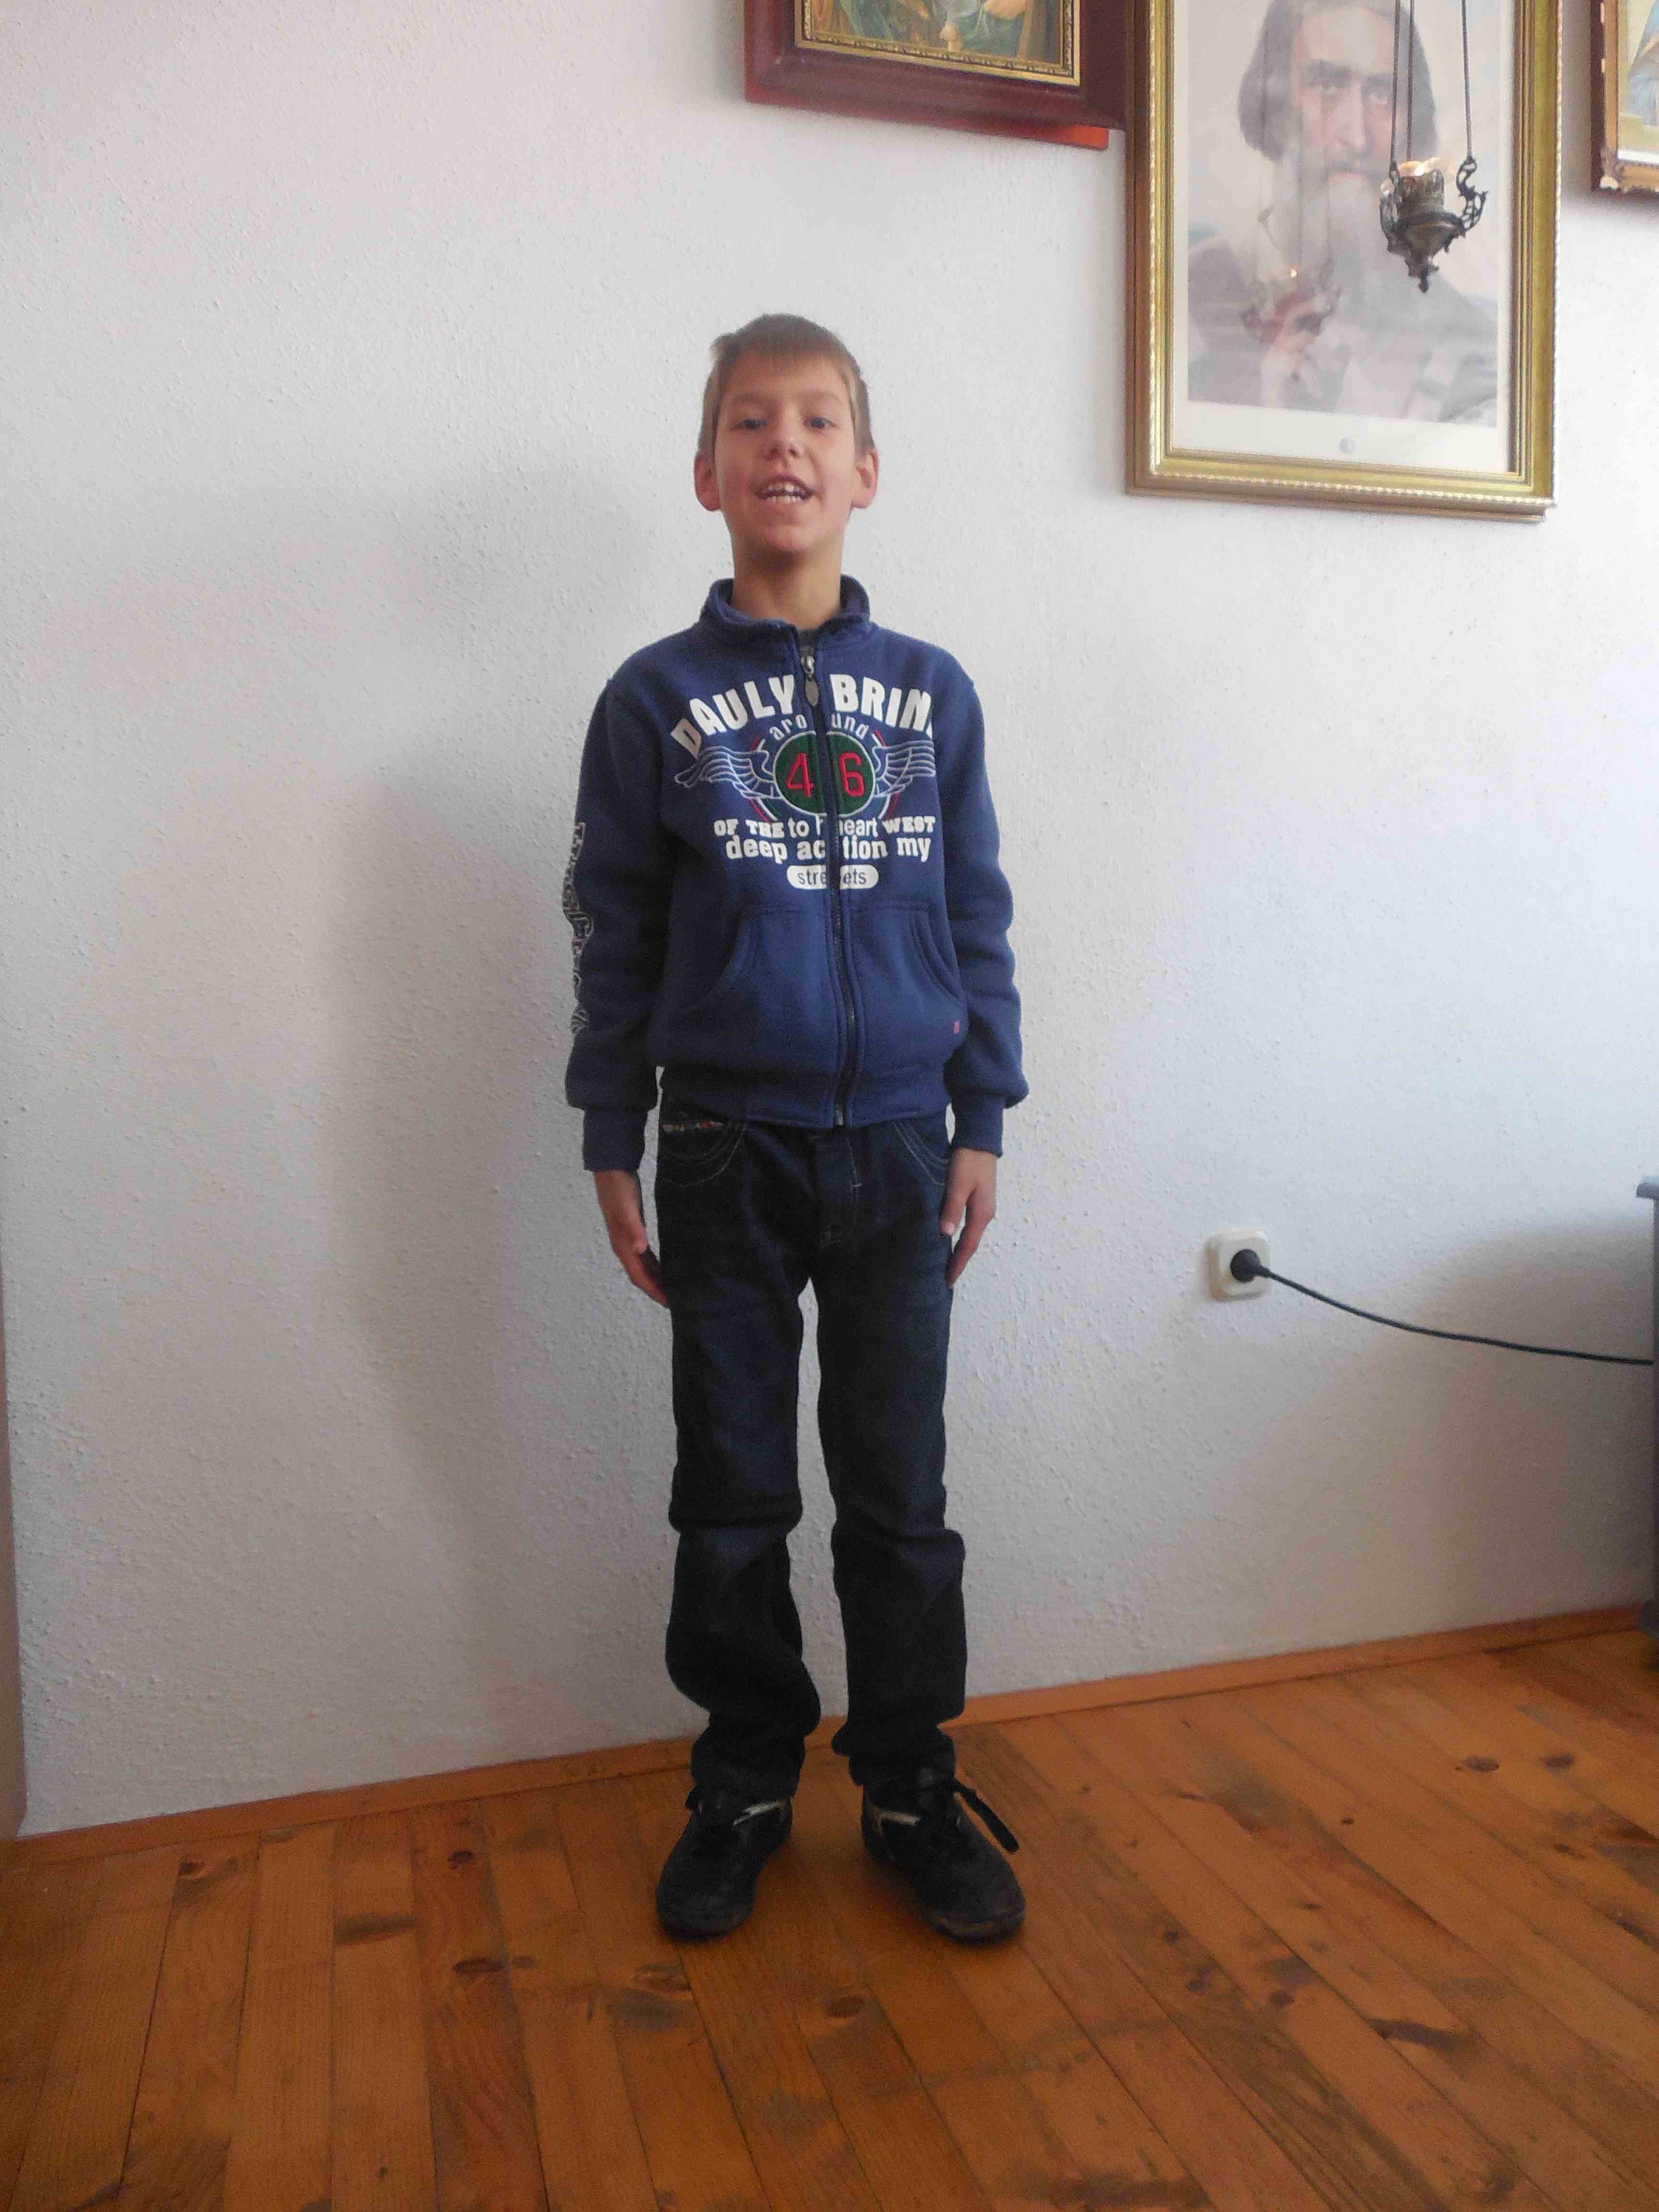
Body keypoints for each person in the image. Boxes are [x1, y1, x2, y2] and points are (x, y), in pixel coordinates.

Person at [563, 313, 1027, 1943]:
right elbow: (614, 928)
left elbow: (976, 914)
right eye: (752, 421)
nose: (786, 444)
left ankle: (906, 1783)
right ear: (707, 473)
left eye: (820, 419)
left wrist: (983, 1110)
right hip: (722, 1148)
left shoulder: (931, 694)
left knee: (898, 1496)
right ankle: (746, 1783)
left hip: (901, 1145)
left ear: (865, 470)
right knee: (733, 1495)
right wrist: (609, 1128)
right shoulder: (654, 699)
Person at [1189, 0, 1497, 423]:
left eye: (1382, 96)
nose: (1357, 137)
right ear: (1274, 112)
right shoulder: (1191, 295)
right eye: (1327, 86)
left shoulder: (1472, 343)